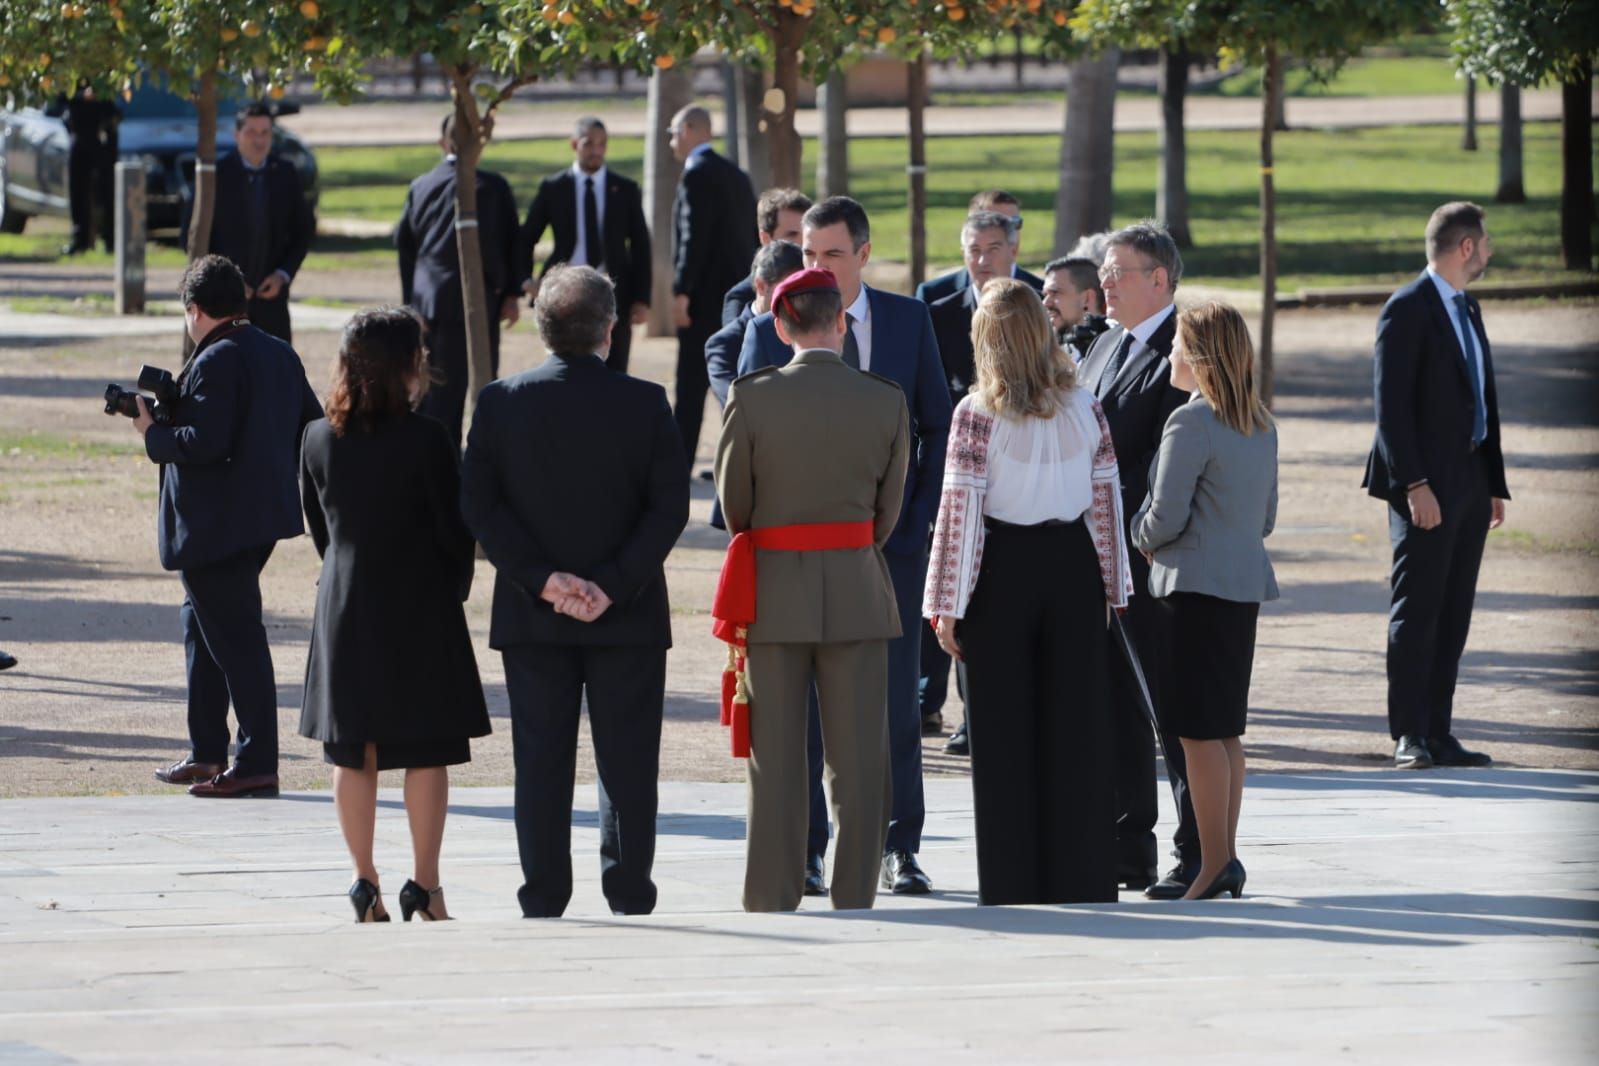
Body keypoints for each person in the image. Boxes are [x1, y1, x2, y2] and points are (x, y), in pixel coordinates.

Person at [738, 196, 952, 896]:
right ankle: (804, 849)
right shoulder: (773, 326)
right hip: (790, 565)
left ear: (862, 254)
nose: (817, 266)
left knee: (893, 710)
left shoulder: (907, 319)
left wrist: (911, 525)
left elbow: (934, 427)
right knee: (795, 720)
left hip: (884, 558)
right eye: (805, 253)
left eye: (830, 254)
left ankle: (898, 847)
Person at [461, 265, 689, 918]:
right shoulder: (645, 403)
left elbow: (479, 506)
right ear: (610, 331)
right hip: (628, 610)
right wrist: (612, 585)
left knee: (539, 761)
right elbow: (668, 507)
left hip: (536, 614)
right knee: (627, 762)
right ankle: (629, 890)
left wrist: (542, 580)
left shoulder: (501, 401)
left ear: (542, 329)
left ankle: (543, 892)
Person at [924, 278, 1130, 905]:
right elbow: (1106, 501)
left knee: (1003, 731)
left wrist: (946, 604)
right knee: (1077, 729)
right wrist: (1113, 584)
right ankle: (1083, 873)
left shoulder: (975, 415)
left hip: (1002, 568)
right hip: (1071, 567)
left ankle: (1012, 879)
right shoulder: (1084, 403)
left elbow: (960, 512)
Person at [714, 266, 910, 912]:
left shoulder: (753, 395)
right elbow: (887, 516)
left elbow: (733, 505)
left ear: (778, 325)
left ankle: (772, 891)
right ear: (841, 322)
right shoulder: (885, 399)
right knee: (858, 759)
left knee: (774, 758)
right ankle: (853, 892)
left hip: (772, 593)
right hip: (856, 586)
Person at [299, 308, 490, 924]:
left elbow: (319, 529)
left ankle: (363, 881)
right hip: (419, 602)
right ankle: (426, 887)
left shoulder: (317, 437)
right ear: (408, 364)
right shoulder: (429, 438)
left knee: (354, 750)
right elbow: (451, 528)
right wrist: (452, 584)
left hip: (346, 601)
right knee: (426, 748)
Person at [135, 255, 322, 798]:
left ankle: (257, 760)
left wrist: (153, 433)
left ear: (194, 310)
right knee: (201, 628)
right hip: (259, 520)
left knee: (237, 640)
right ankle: (207, 750)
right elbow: (308, 426)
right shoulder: (278, 352)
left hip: (214, 527)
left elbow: (205, 444)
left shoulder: (216, 359)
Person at [1133, 301, 1279, 900]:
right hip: (1241, 588)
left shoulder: (1189, 423)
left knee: (1195, 733)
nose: (1169, 354)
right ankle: (1225, 857)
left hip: (1190, 591)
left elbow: (1163, 516)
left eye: (1176, 345)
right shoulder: (1261, 423)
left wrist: (1140, 535)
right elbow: (1265, 519)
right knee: (1223, 732)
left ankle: (1214, 862)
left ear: (1198, 356)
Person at [1363, 201, 1507, 770]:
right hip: (1424, 484)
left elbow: (1482, 396)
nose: (1491, 250)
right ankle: (1410, 734)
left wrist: (1492, 481)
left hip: (1470, 481)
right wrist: (1415, 484)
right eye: (1486, 241)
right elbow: (1390, 409)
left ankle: (1440, 732)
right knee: (1418, 608)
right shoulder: (1407, 308)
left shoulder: (1467, 307)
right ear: (1465, 247)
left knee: (1454, 610)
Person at [1077, 221, 1193, 899]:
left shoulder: (1184, 352)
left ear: (1159, 279)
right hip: (1097, 561)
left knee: (1172, 712)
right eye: (1104, 271)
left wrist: (1136, 529)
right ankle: (1127, 850)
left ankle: (1196, 849)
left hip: (1154, 559)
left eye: (1118, 271)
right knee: (1115, 707)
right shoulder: (1101, 348)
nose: (1105, 283)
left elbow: (1172, 463)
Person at [923, 209, 1023, 753]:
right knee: (955, 593)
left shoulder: (1034, 302)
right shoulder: (936, 312)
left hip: (1020, 480)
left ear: (1012, 249)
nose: (982, 260)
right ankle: (959, 711)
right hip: (955, 467)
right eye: (973, 249)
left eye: (992, 248)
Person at [396, 115, 522, 451]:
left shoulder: (421, 184)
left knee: (433, 390)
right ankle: (457, 463)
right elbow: (508, 243)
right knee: (476, 388)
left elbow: (406, 246)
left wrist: (412, 301)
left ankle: (432, 457)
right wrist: (507, 290)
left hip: (428, 301)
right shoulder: (490, 187)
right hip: (475, 299)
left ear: (443, 142)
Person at [520, 116, 651, 373]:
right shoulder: (554, 188)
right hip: (565, 290)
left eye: (602, 144)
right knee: (565, 366)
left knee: (614, 369)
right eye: (588, 143)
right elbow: (527, 236)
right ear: (574, 145)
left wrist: (642, 298)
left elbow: (640, 245)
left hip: (612, 289)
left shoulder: (624, 189)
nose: (596, 151)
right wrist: (526, 280)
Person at [668, 105, 758, 468]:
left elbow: (693, 239)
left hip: (703, 299)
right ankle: (740, 461)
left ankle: (678, 463)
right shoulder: (736, 174)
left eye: (674, 133)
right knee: (732, 384)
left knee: (689, 386)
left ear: (690, 129)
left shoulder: (696, 174)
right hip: (736, 297)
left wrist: (681, 290)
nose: (672, 141)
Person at [206, 103, 313, 345]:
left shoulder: (285, 173)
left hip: (271, 302)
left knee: (275, 375)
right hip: (225, 305)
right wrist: (227, 279)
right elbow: (195, 238)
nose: (259, 140)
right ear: (237, 135)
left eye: (265, 132)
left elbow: (303, 232)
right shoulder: (216, 176)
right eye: (252, 132)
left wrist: (283, 274)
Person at [707, 240, 804, 411]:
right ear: (760, 285)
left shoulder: (810, 328)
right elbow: (737, 407)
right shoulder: (725, 344)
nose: (798, 298)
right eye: (789, 289)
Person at [915, 190, 1042, 304]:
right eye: (994, 221)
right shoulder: (933, 297)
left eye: (1015, 222)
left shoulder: (1044, 296)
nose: (1011, 230)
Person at [721, 187, 812, 326]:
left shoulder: (828, 285)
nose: (802, 244)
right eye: (791, 235)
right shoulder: (741, 300)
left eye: (806, 235)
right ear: (765, 239)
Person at [61, 81, 119, 255]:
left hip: (103, 137)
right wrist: (82, 95)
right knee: (78, 191)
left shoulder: (107, 68)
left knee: (108, 193)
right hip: (80, 135)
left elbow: (115, 104)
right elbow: (62, 99)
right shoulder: (73, 70)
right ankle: (81, 240)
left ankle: (112, 241)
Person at [1042, 256, 1109, 360]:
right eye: (1045, 294)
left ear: (1087, 298)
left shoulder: (1114, 351)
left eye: (1055, 293)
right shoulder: (1046, 354)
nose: (1045, 303)